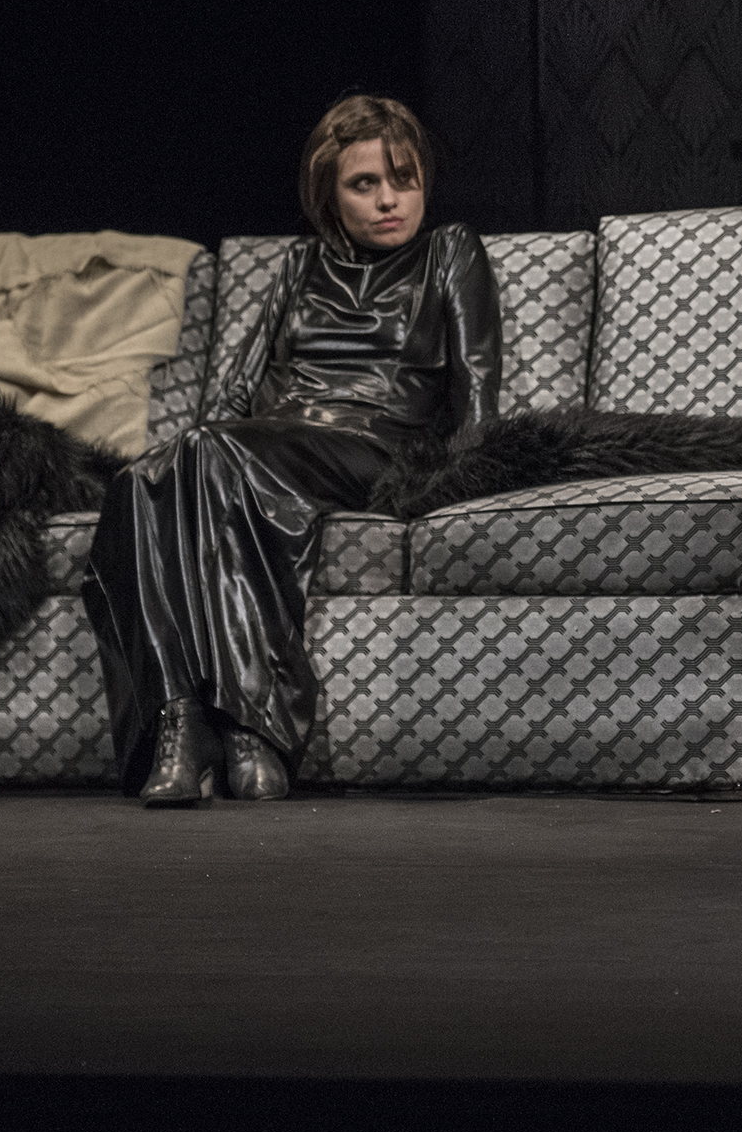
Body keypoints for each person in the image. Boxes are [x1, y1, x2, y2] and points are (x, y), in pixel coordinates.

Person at [82, 94, 498, 805]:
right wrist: (173, 475)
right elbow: (235, 394)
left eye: (404, 180)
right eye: (364, 183)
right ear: (327, 194)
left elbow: (479, 385)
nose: (390, 200)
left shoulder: (449, 251)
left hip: (378, 446)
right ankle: (186, 722)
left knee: (202, 453)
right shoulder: (300, 264)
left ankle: (247, 726)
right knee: (139, 482)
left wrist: (464, 480)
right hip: (269, 448)